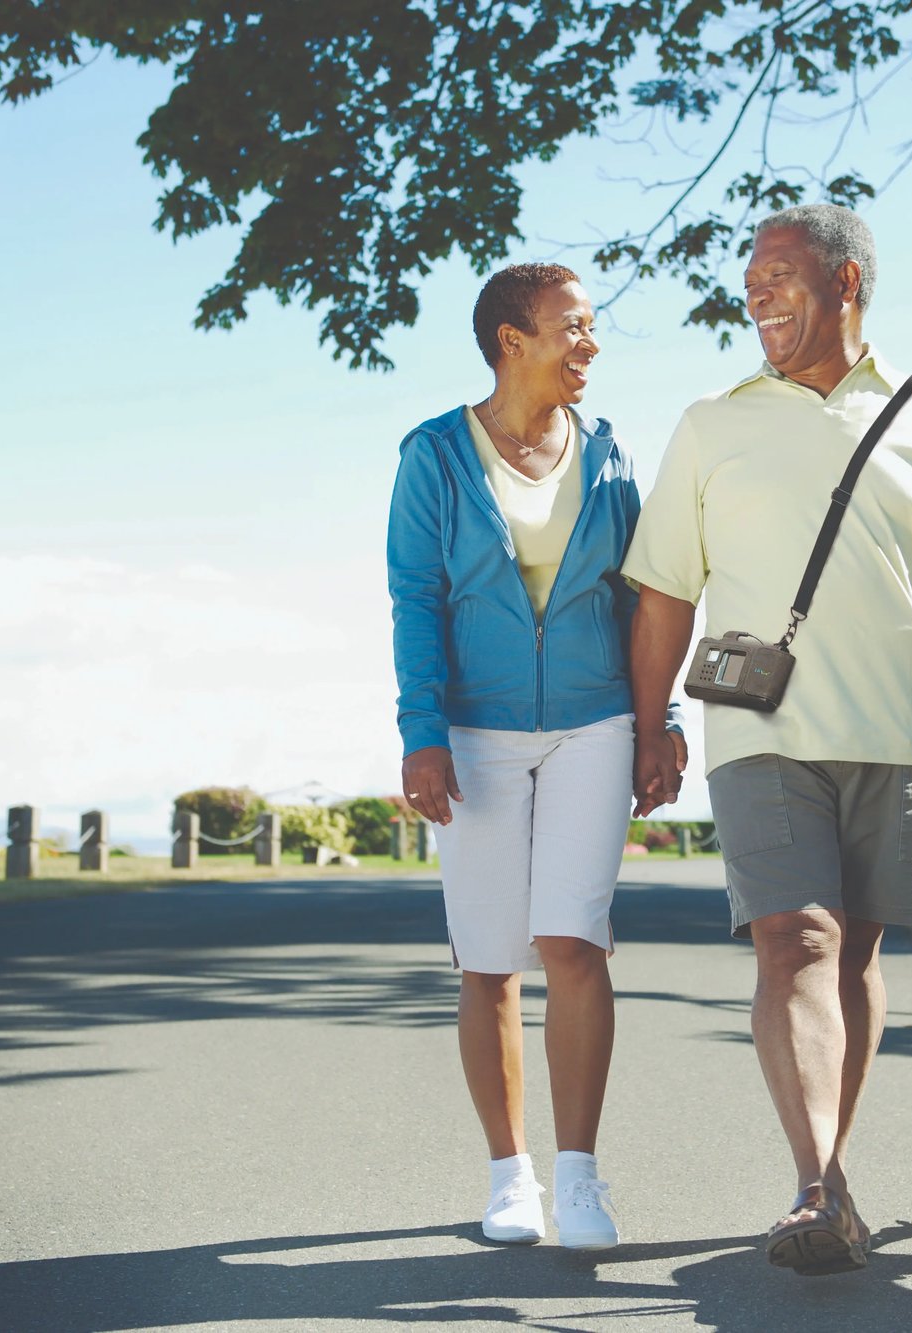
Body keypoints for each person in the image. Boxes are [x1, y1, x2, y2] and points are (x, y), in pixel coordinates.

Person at [623, 204, 912, 1275]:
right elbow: (660, 596)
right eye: (749, 277)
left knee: (857, 950)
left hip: (893, 731)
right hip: (756, 730)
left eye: (778, 272)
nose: (754, 292)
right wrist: (654, 726)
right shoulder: (709, 423)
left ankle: (832, 1173)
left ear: (847, 281)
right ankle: (814, 1184)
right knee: (796, 939)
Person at [386, 262, 683, 1251]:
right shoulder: (432, 454)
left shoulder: (607, 453)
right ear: (510, 339)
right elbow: (415, 598)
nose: (589, 343)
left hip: (594, 722)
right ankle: (508, 1172)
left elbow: (646, 597)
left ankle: (579, 1174)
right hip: (474, 732)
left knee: (573, 938)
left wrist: (658, 721)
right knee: (488, 958)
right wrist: (420, 732)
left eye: (590, 326)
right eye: (571, 326)